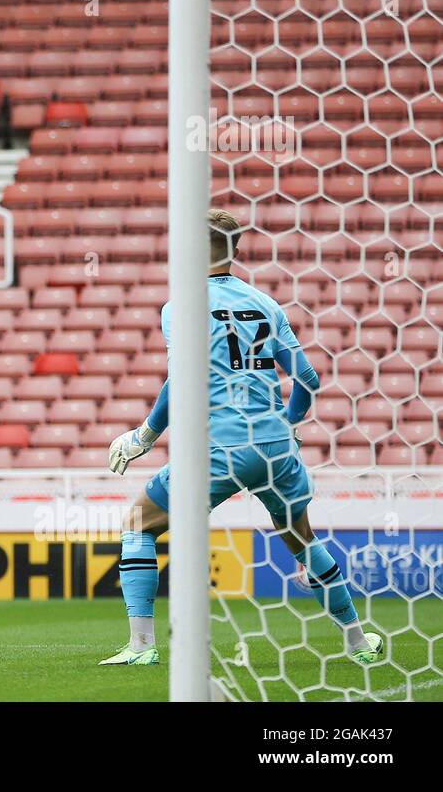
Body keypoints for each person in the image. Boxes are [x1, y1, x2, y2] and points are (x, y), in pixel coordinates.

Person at [100, 208, 382, 667]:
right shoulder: (268, 306)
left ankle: (141, 646)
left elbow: (183, 378)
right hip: (273, 446)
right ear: (237, 251)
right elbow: (307, 379)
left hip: (219, 448)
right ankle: (357, 642)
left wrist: (144, 436)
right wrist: (287, 424)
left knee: (139, 525)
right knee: (303, 540)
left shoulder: (181, 307)